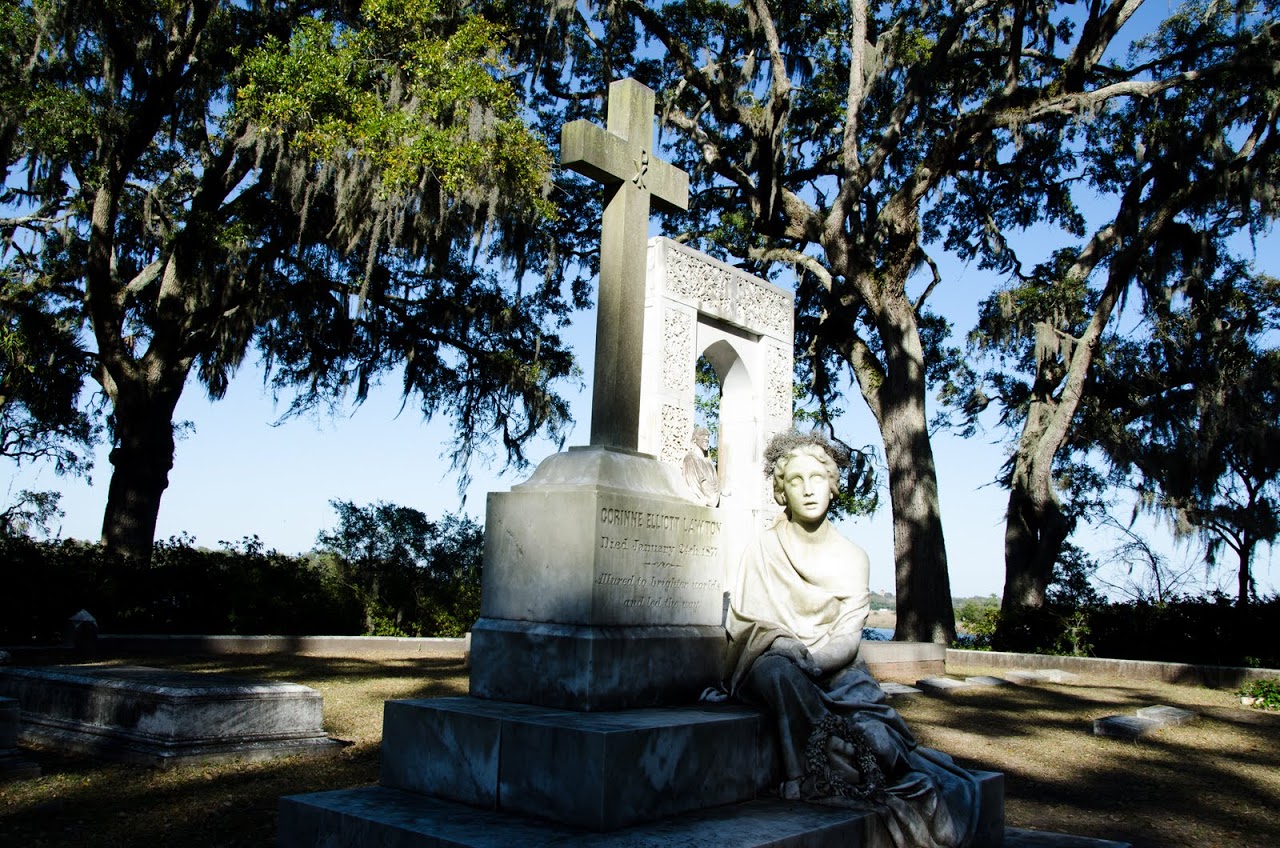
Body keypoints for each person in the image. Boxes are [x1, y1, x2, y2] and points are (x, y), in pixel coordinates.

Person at [724, 431, 979, 848]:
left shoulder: (851, 557)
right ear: (781, 492)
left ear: (833, 485)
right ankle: (809, 775)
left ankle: (852, 751)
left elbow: (847, 637)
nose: (808, 490)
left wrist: (811, 660)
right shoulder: (764, 549)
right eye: (795, 481)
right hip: (775, 662)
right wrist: (784, 647)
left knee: (878, 743)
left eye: (817, 478)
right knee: (776, 673)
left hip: (837, 673)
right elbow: (748, 625)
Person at [682, 427, 721, 507]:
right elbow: (693, 485)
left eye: (707, 440)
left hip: (713, 499)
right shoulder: (690, 459)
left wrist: (719, 492)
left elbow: (716, 485)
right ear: (695, 440)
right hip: (701, 500)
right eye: (704, 439)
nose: (706, 441)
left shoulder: (709, 462)